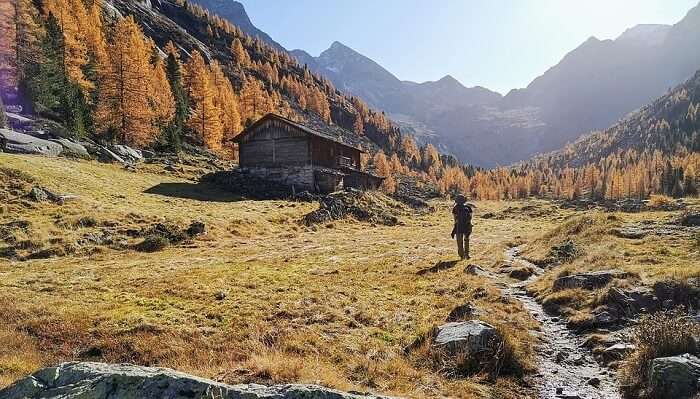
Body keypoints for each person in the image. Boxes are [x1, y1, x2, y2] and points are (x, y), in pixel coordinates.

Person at [451, 194, 473, 259]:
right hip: (467, 226)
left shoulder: (455, 208)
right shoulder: (468, 208)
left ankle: (461, 256)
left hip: (459, 226)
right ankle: (467, 255)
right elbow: (470, 217)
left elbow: (455, 219)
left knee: (459, 242)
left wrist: (455, 228)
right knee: (466, 240)